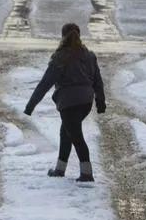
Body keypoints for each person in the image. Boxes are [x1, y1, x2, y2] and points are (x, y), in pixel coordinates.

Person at [23, 23, 106, 182]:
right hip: (85, 103)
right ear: (79, 35)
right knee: (66, 132)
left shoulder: (60, 57)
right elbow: (98, 82)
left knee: (76, 136)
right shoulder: (89, 55)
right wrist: (100, 102)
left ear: (62, 36)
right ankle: (60, 170)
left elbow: (45, 83)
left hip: (69, 103)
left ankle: (87, 174)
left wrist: (30, 106)